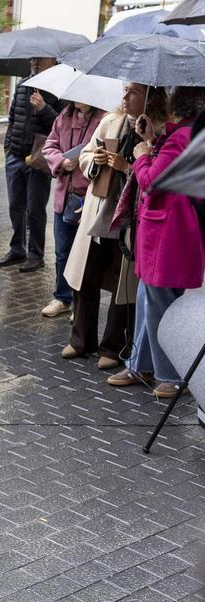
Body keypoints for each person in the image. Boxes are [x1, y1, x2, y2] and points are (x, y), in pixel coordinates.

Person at [67, 83, 165, 372]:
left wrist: (126, 166)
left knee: (124, 286)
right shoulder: (110, 121)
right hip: (99, 210)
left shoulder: (157, 131)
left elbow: (156, 175)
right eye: (125, 91)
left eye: (132, 92)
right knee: (87, 273)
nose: (124, 97)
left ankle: (113, 347)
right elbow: (84, 154)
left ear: (149, 96)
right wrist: (93, 161)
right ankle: (81, 338)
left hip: (130, 220)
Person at [121, 86, 205, 397]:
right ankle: (140, 362)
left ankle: (171, 375)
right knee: (147, 299)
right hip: (166, 233)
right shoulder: (184, 134)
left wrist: (141, 156)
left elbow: (153, 181)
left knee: (159, 305)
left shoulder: (183, 136)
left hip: (167, 236)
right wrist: (150, 141)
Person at [41, 100, 104, 321]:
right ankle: (62, 297)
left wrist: (86, 161)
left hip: (88, 198)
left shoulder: (102, 121)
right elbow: (49, 146)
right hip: (63, 196)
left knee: (85, 256)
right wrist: (61, 161)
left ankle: (81, 303)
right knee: (62, 252)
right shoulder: (63, 118)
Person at [0, 57, 60, 271]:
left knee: (35, 209)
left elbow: (60, 124)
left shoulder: (59, 86)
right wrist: (8, 147)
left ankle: (36, 253)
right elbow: (13, 117)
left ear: (52, 59)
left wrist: (43, 108)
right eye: (32, 58)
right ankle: (17, 249)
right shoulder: (23, 84)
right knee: (16, 205)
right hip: (15, 154)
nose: (34, 61)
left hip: (38, 158)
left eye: (39, 58)